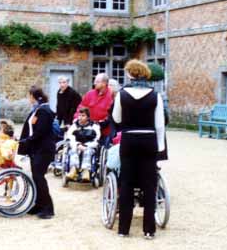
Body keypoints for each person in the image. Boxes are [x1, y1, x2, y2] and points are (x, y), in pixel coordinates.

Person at [112, 59, 166, 240]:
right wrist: (160, 148)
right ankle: (149, 230)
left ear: (130, 74)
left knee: (126, 182)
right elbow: (160, 125)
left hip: (129, 139)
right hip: (149, 140)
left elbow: (117, 118)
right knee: (149, 185)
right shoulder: (155, 95)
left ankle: (124, 229)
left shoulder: (121, 94)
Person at [18, 86, 55, 219]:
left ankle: (48, 208)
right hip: (37, 149)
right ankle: (39, 204)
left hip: (44, 149)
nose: (29, 99)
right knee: (36, 177)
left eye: (29, 96)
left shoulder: (44, 111)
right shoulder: (38, 110)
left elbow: (40, 132)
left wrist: (26, 141)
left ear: (34, 96)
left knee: (39, 177)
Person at [64, 107, 100, 182]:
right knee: (73, 150)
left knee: (88, 151)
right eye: (79, 115)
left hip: (89, 145)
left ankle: (86, 171)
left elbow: (96, 140)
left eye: (83, 115)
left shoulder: (94, 126)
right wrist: (77, 145)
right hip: (77, 145)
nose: (80, 117)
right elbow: (70, 138)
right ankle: (73, 170)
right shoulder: (74, 126)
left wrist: (86, 146)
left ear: (88, 117)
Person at [75, 73, 113, 141]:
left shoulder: (111, 96)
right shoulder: (90, 94)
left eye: (97, 81)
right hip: (89, 130)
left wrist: (105, 121)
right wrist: (76, 118)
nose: (94, 83)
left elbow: (113, 113)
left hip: (105, 132)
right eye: (95, 81)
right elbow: (81, 107)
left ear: (104, 83)